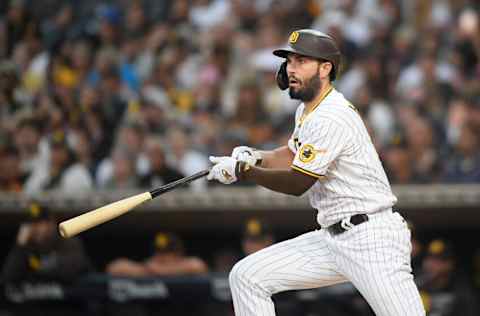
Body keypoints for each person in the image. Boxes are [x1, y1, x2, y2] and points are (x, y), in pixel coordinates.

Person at [207, 29, 425, 315]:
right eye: (289, 62)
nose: (291, 69)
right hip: (331, 239)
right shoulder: (308, 111)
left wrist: (245, 172)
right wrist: (255, 156)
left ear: (326, 68)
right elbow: (291, 154)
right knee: (246, 276)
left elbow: (299, 181)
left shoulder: (332, 115)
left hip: (371, 238)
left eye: (301, 61)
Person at [1, 201, 92, 283]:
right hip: (36, 299)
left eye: (39, 223)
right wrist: (20, 246)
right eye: (31, 224)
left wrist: (40, 267)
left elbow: (70, 273)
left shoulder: (68, 242)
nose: (35, 228)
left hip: (69, 299)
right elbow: (7, 279)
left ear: (51, 223)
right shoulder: (26, 248)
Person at [417, 239, 478, 316]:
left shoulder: (462, 293)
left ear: (450, 264)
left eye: (438, 261)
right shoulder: (416, 287)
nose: (430, 265)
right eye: (428, 259)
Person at [106, 232, 208, 277]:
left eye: (167, 252)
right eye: (158, 252)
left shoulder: (189, 266)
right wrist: (147, 270)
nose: (161, 257)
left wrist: (164, 271)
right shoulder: (148, 269)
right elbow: (115, 267)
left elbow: (198, 266)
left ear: (178, 253)